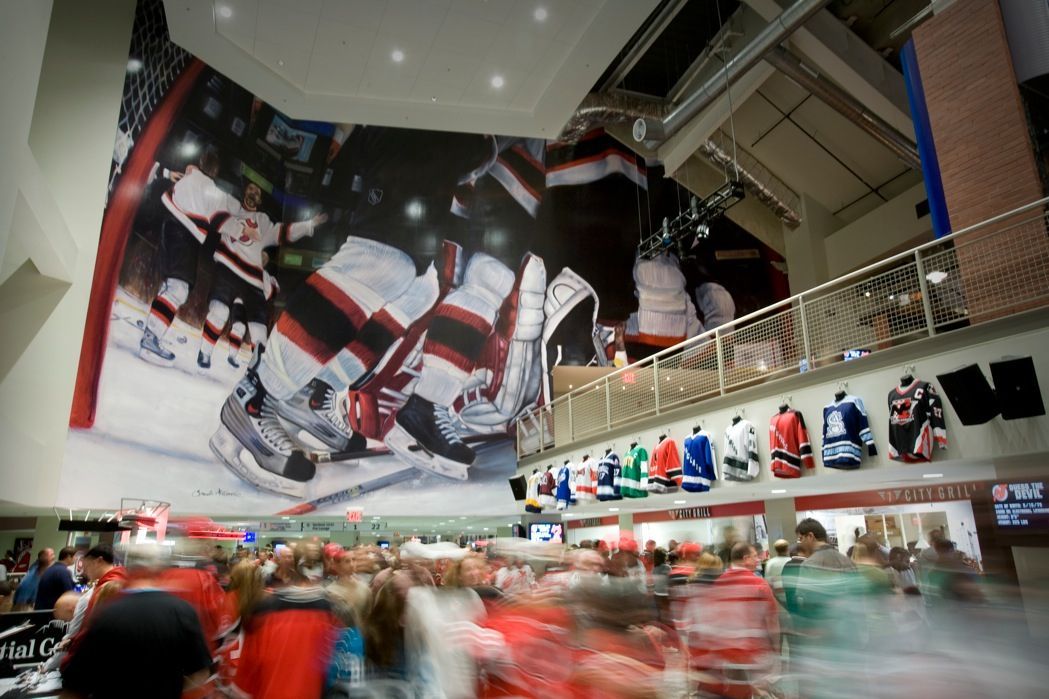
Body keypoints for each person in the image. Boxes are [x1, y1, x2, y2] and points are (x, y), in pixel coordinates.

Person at [139, 145, 247, 364]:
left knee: (171, 285)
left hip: (168, 226)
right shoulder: (215, 193)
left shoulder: (190, 175)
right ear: (216, 172)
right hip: (185, 235)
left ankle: (153, 326)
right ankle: (151, 336)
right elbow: (230, 215)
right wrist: (245, 230)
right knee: (178, 289)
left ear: (200, 161)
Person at [60, 546, 212, 699]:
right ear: (159, 571)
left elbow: (77, 682)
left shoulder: (107, 613)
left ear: (130, 571)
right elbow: (200, 673)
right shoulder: (183, 611)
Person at [692, 543, 780, 699]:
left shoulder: (719, 583)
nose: (758, 559)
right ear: (745, 559)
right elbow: (771, 621)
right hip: (756, 651)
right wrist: (776, 647)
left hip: (728, 652)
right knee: (761, 691)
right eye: (755, 556)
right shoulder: (759, 584)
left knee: (737, 691)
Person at [764, 539, 792, 603]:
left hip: (777, 594)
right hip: (790, 593)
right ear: (787, 549)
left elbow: (768, 581)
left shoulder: (770, 562)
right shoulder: (791, 561)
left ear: (775, 550)